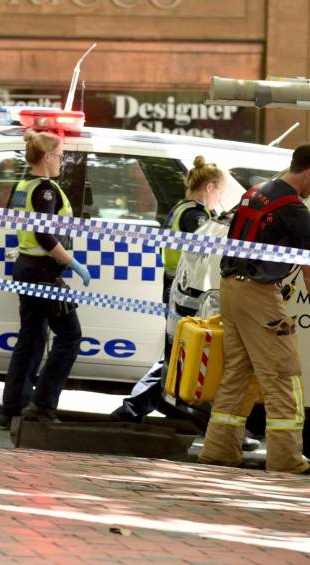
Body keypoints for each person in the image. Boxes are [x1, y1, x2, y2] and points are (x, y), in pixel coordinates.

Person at [198, 143, 310, 474]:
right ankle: (286, 460)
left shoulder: (255, 193)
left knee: (237, 374)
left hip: (231, 289)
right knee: (283, 375)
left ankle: (219, 452)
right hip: (258, 295)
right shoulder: (295, 211)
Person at [111, 156, 225, 423]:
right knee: (177, 355)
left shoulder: (181, 208)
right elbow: (209, 250)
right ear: (209, 187)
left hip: (177, 288)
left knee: (175, 354)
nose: (220, 198)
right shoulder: (195, 216)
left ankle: (145, 408)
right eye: (220, 192)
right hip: (186, 293)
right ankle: (134, 408)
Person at [0, 131, 91, 428]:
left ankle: (13, 408)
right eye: (60, 156)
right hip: (42, 272)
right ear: (47, 157)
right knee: (70, 336)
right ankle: (43, 404)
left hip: (27, 267)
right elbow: (44, 235)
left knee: (31, 338)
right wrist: (72, 262)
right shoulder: (45, 191)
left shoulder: (24, 186)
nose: (62, 162)